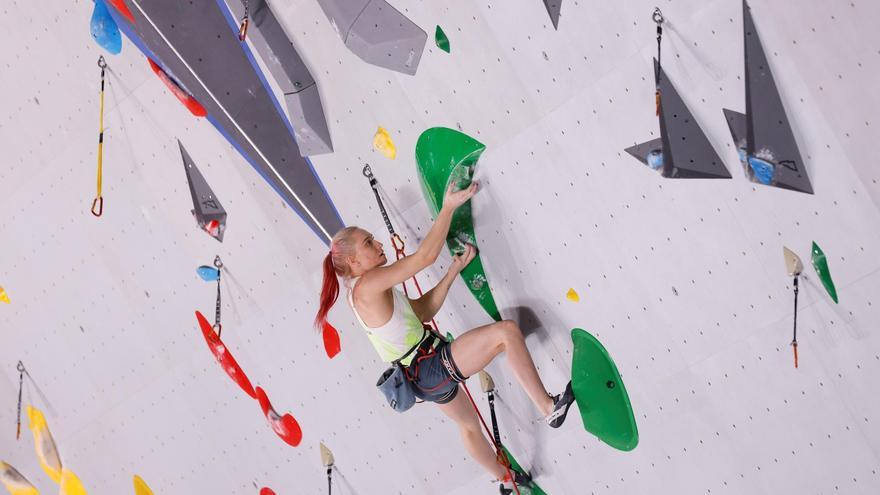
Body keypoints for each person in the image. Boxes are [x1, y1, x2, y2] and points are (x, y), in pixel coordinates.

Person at [315, 181, 575, 492]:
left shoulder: (365, 291)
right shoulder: (367, 285)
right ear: (354, 263)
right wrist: (448, 207)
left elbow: (421, 312)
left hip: (420, 374)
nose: (379, 245)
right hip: (429, 364)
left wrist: (453, 271)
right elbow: (424, 257)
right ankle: (549, 409)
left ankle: (504, 479)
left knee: (467, 425)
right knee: (505, 333)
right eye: (369, 243)